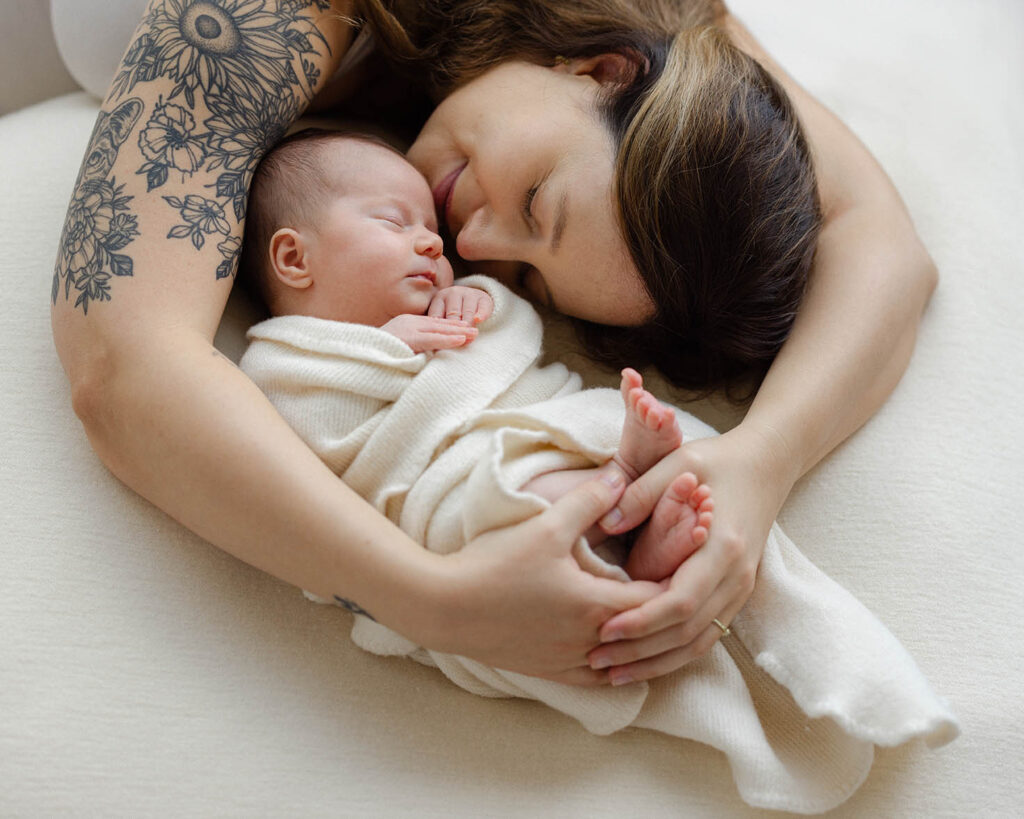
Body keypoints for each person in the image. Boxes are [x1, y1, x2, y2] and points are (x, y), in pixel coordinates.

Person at [50, 0, 937, 688]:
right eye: (538, 203)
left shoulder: (664, 37)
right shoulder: (266, 22)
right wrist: (436, 600)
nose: (472, 244)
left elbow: (882, 244)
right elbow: (125, 365)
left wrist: (761, 461)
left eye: (525, 280)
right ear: (601, 70)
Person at [239, 127, 713, 583]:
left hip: (538, 422)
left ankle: (638, 538)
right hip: (450, 480)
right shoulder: (281, 360)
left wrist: (481, 302)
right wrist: (384, 348)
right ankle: (622, 502)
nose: (434, 244)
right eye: (393, 221)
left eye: (433, 231)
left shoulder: (447, 304)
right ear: (295, 259)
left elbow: (510, 341)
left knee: (610, 412)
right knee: (501, 497)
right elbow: (317, 443)